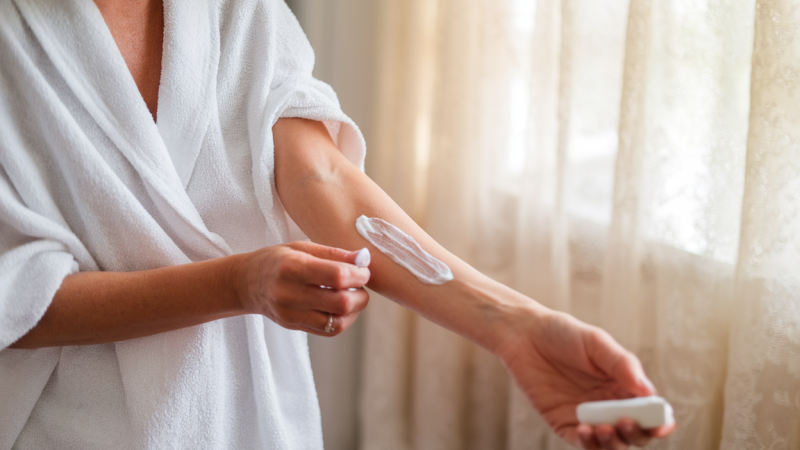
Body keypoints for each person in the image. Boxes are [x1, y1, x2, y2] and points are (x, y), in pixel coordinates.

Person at [0, 0, 675, 449]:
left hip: (252, 420)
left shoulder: (235, 9)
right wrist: (241, 284)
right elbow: (19, 293)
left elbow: (316, 174)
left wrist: (514, 327)